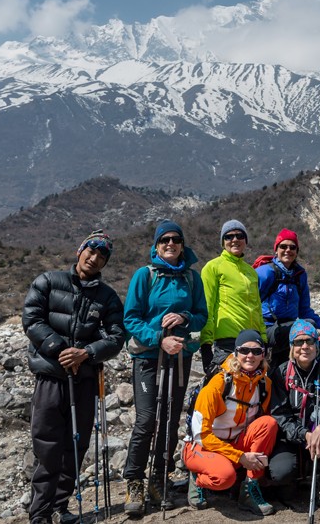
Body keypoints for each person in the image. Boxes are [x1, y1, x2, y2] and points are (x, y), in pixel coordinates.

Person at [22, 230, 126, 524]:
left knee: (75, 446)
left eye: (101, 256)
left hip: (85, 379)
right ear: (79, 250)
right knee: (48, 445)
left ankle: (60, 506)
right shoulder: (48, 281)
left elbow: (117, 337)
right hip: (50, 377)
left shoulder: (107, 297)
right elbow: (32, 319)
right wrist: (60, 349)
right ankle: (39, 512)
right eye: (91, 251)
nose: (94, 259)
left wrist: (87, 353)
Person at [120, 220, 208, 516]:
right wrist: (160, 338)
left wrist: (184, 318)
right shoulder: (144, 276)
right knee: (146, 420)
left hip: (179, 359)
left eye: (175, 240)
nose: (170, 244)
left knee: (170, 420)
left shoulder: (192, 279)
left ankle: (159, 477)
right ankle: (135, 479)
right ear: (156, 246)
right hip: (148, 359)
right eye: (164, 240)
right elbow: (130, 319)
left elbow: (201, 316)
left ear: (183, 245)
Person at [182, 329, 278, 516]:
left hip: (233, 444)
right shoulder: (218, 384)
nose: (250, 356)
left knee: (268, 423)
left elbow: (260, 425)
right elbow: (201, 435)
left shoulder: (264, 384)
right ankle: (198, 479)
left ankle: (250, 487)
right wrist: (240, 457)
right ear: (235, 353)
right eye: (244, 350)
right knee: (225, 478)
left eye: (257, 351)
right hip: (203, 447)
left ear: (263, 355)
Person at [267, 320, 320, 504]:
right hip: (292, 438)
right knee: (281, 473)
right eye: (298, 342)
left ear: (317, 345)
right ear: (291, 347)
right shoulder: (281, 373)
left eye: (310, 341)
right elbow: (280, 415)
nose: (305, 346)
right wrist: (304, 434)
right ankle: (295, 477)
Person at [256, 228, 320, 370]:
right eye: (283, 246)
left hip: (289, 329)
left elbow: (304, 311)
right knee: (306, 329)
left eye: (292, 247)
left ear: (297, 251)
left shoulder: (299, 275)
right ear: (276, 250)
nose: (288, 250)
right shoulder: (265, 272)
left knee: (308, 329)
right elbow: (249, 304)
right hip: (267, 329)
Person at [200, 219, 265, 374]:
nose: (235, 239)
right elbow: (207, 306)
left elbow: (257, 308)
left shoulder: (251, 272)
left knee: (251, 393)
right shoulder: (213, 267)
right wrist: (205, 344)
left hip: (252, 343)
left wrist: (263, 338)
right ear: (223, 242)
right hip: (227, 342)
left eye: (239, 235)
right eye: (229, 237)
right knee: (225, 392)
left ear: (245, 241)